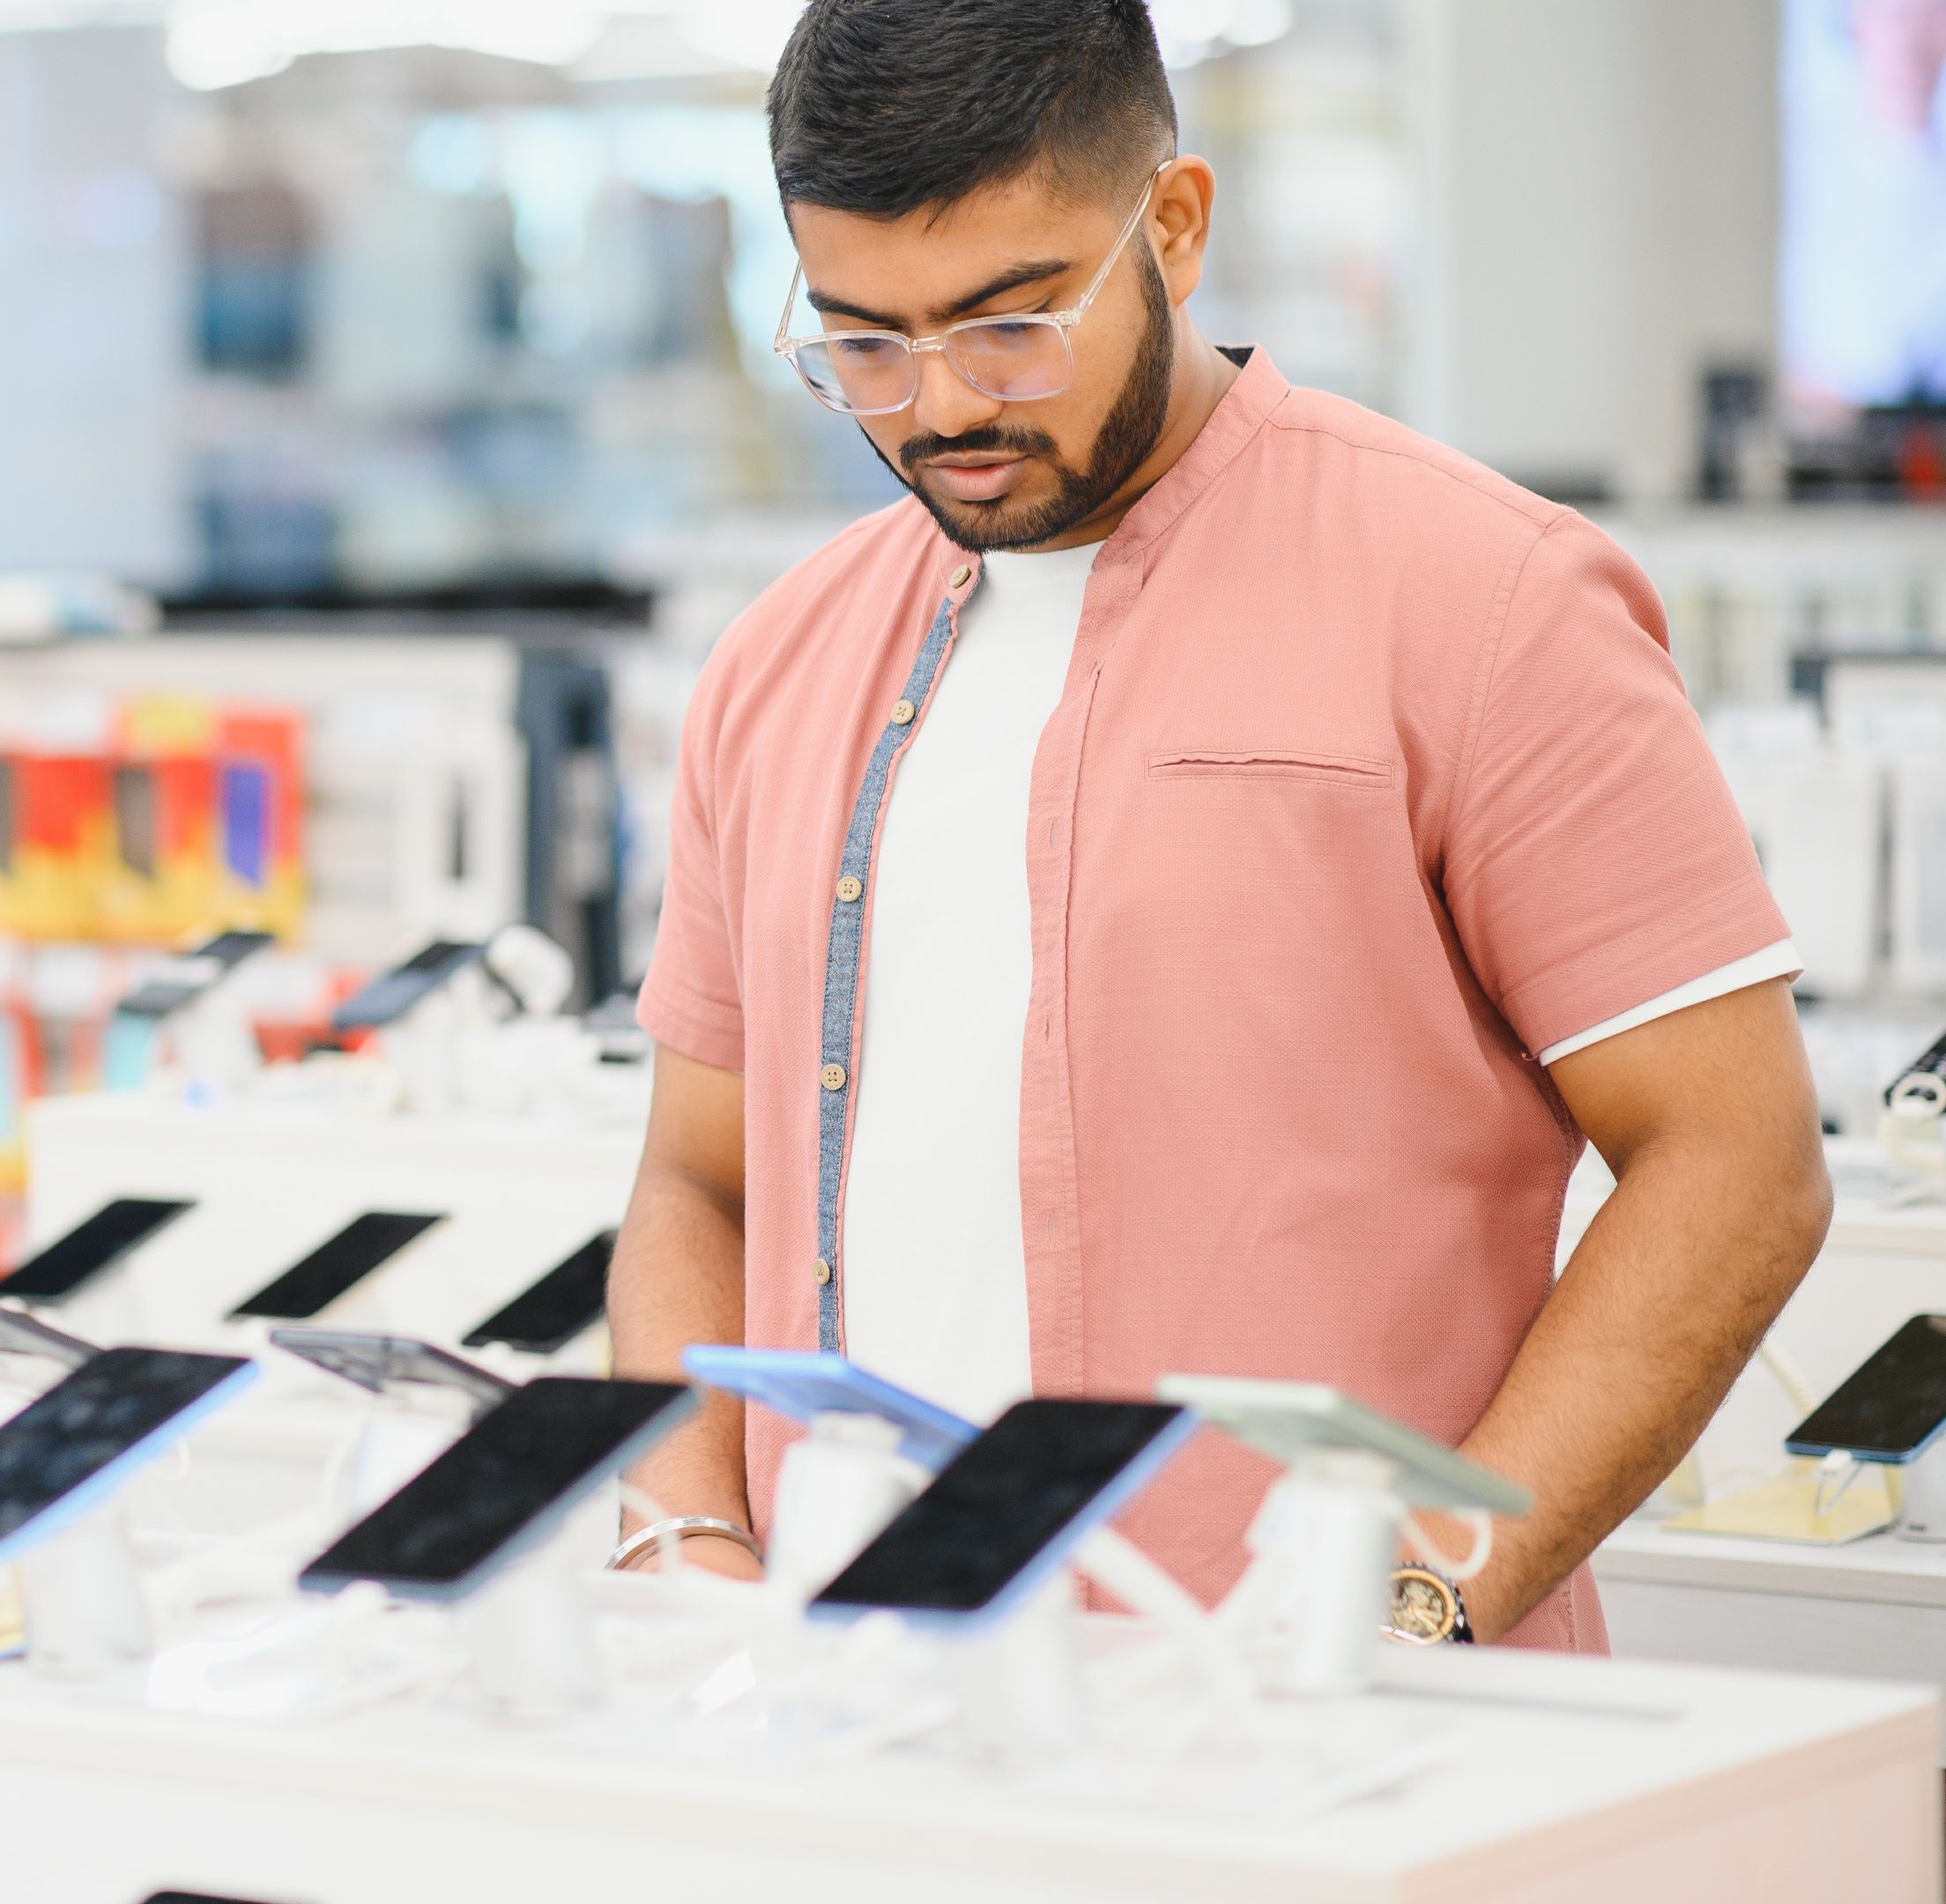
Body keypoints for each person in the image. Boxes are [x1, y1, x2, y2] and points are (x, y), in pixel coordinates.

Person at [611, 0, 1830, 1649]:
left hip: (1328, 1725)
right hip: (845, 1710)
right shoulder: (781, 662)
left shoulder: (1485, 602)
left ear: (1173, 227)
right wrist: (681, 1537)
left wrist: (1416, 1598)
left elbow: (1736, 1163)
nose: (943, 408)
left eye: (1010, 323)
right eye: (867, 347)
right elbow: (699, 1182)